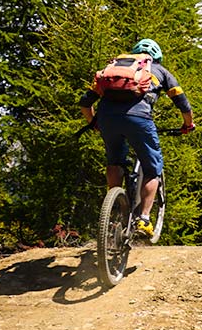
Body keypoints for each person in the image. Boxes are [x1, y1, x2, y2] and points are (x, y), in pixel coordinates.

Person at [79, 38, 194, 236]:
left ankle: (114, 210)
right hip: (139, 119)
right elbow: (183, 103)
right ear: (157, 57)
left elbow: (84, 103)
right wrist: (188, 124)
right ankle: (144, 220)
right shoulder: (160, 71)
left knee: (114, 161)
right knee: (152, 169)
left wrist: (94, 122)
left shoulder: (113, 69)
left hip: (107, 118)